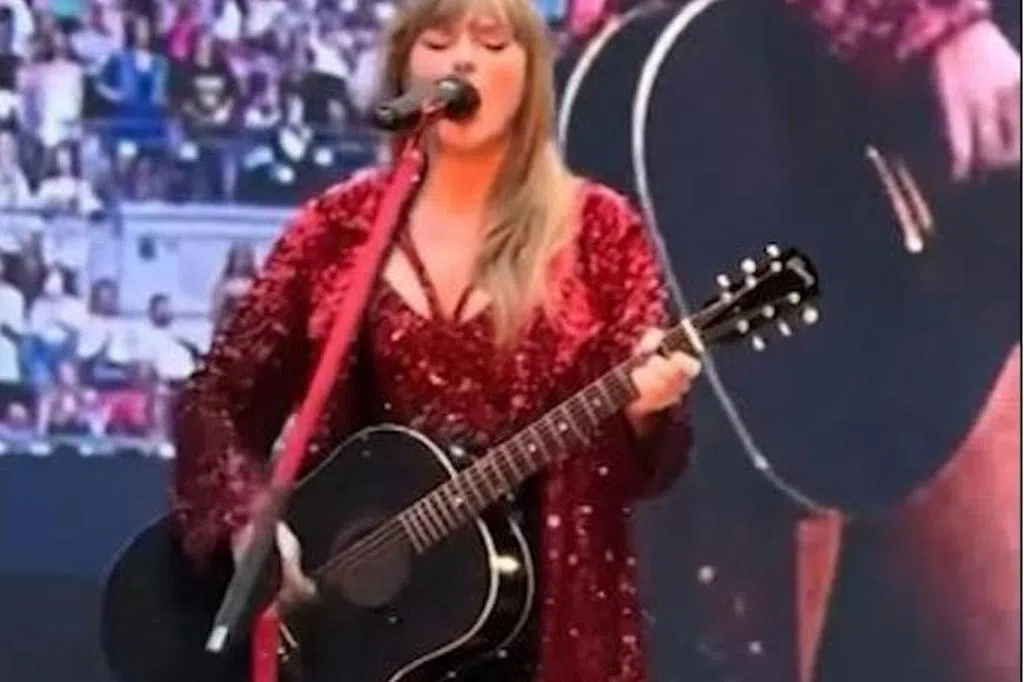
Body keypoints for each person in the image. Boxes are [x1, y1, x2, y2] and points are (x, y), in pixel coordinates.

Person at [170, 0, 702, 681]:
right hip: (355, 641)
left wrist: (647, 410)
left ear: (531, 78)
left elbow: (651, 465)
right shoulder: (337, 229)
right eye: (439, 40)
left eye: (492, 42)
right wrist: (249, 525)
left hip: (546, 634)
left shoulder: (599, 230)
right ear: (403, 70)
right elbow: (217, 399)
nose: (462, 60)